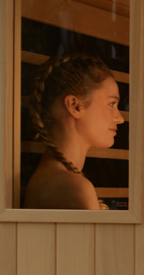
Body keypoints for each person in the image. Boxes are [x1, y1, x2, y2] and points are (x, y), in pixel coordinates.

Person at [22, 53, 125, 210]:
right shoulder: (71, 187)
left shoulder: (54, 179)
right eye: (111, 104)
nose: (120, 119)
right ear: (74, 106)